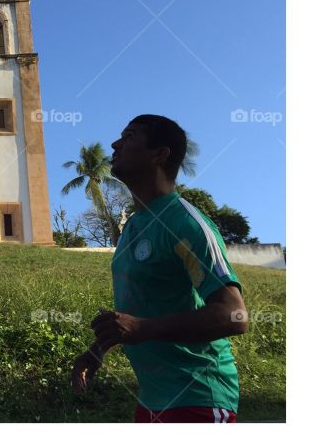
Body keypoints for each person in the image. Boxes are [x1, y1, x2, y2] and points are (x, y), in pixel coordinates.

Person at [71, 114, 248, 422]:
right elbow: (141, 308)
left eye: (129, 137)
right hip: (152, 399)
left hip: (199, 396)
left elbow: (234, 315)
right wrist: (98, 349)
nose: (115, 144)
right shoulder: (133, 226)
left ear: (159, 154)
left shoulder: (186, 224)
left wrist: (143, 329)